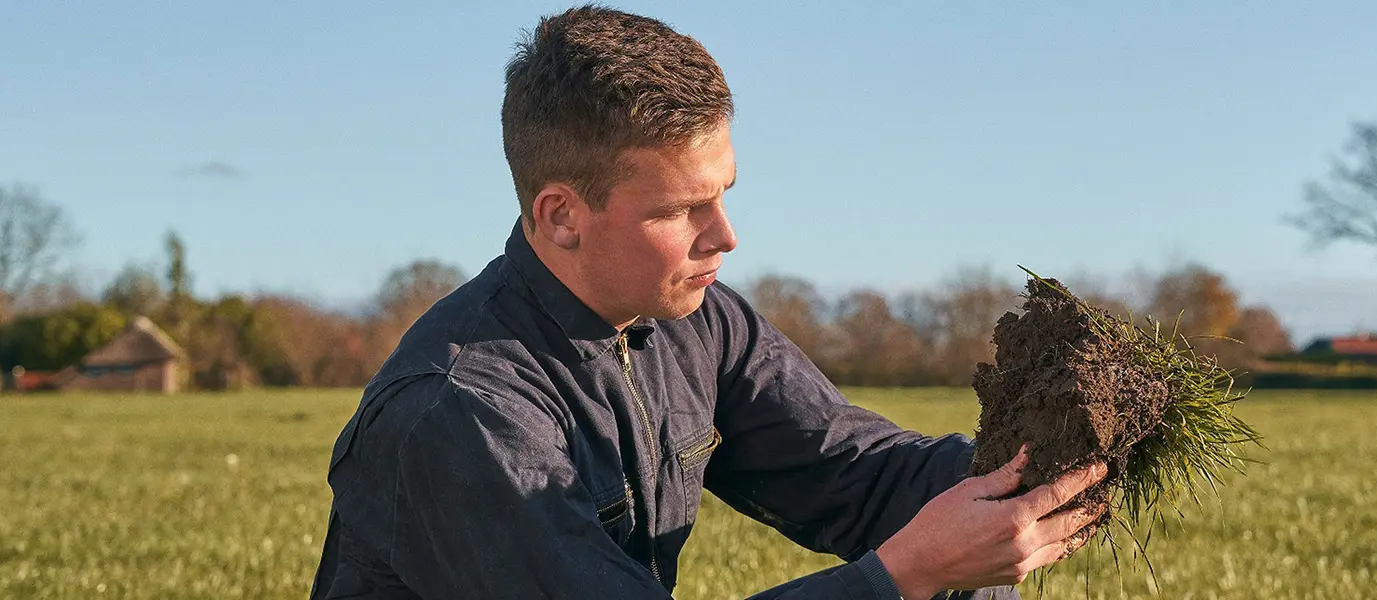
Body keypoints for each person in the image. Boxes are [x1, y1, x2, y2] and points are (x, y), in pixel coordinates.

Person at [308, 5, 1105, 599]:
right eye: (679, 209)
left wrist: (1040, 459)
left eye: (723, 192)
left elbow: (853, 474)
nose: (724, 234)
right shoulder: (462, 411)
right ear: (560, 216)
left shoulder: (695, 320)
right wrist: (900, 577)